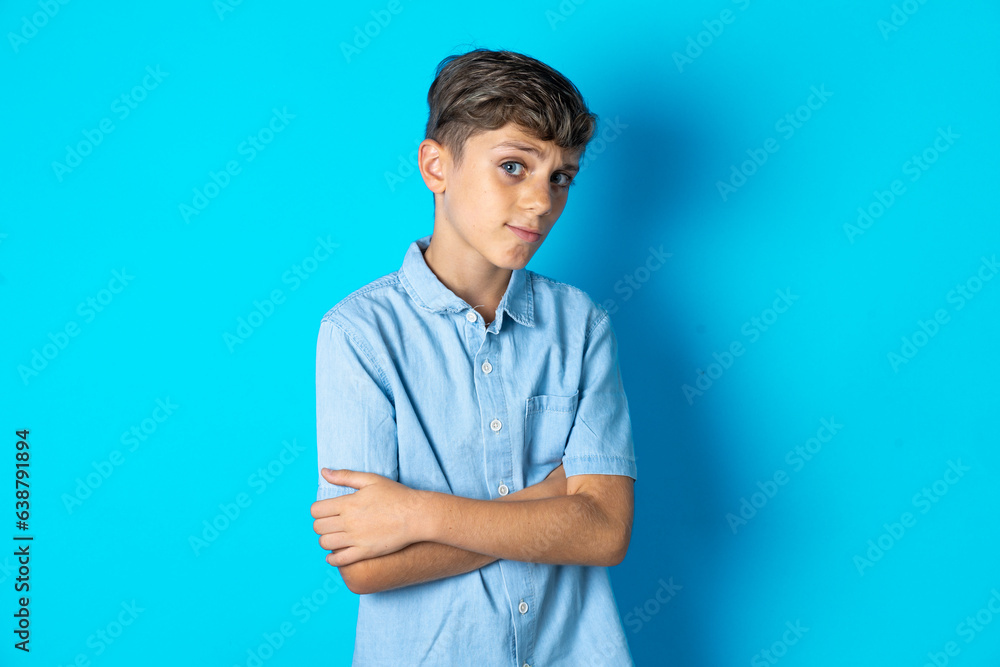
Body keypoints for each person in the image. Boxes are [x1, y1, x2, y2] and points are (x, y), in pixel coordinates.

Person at [310, 47, 638, 666]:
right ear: (436, 167)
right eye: (514, 166)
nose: (541, 202)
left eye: (561, 177)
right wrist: (553, 500)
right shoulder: (359, 333)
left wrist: (417, 514)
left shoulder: (581, 325)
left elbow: (605, 532)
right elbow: (367, 566)